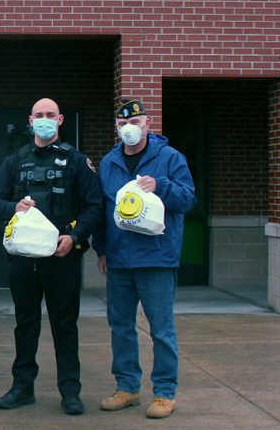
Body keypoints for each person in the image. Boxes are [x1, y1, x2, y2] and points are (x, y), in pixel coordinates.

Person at [0, 98, 103, 416]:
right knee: (25, 325)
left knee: (64, 326)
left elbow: (94, 207)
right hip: (24, 260)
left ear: (60, 119)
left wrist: (75, 236)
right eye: (39, 115)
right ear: (30, 120)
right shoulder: (14, 162)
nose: (44, 120)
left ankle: (70, 391)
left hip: (61, 257)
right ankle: (22, 387)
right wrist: (14, 207)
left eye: (50, 115)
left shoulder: (77, 162)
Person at [94, 98, 197, 419]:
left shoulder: (169, 158)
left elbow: (188, 199)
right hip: (120, 260)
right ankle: (127, 386)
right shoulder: (110, 162)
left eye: (136, 123)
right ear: (117, 128)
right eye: (123, 124)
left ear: (148, 125)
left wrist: (161, 185)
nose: (129, 129)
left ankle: (165, 392)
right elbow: (102, 212)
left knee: (161, 328)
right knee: (120, 325)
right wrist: (101, 248)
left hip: (157, 259)